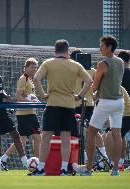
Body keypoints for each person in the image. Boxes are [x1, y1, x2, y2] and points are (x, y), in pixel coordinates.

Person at [31, 39, 92, 176]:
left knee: (46, 137)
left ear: (55, 51)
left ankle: (40, 168)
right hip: (69, 105)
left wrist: (43, 95)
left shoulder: (48, 63)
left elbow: (36, 79)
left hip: (52, 104)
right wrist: (80, 96)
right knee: (66, 139)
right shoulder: (75, 65)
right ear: (67, 51)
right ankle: (64, 169)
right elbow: (89, 81)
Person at [78, 36, 124, 176]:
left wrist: (90, 93)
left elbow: (95, 85)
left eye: (102, 45)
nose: (100, 48)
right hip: (119, 102)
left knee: (91, 132)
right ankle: (115, 169)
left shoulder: (102, 64)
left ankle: (88, 169)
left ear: (109, 47)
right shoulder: (121, 61)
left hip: (106, 102)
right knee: (117, 135)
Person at [0, 58, 41, 170]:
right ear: (26, 67)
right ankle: (3, 159)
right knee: (23, 140)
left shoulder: (30, 80)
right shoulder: (23, 79)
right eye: (32, 67)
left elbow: (29, 95)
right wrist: (31, 101)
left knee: (37, 138)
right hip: (24, 114)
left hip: (31, 113)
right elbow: (18, 97)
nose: (34, 69)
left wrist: (34, 100)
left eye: (35, 67)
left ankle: (37, 163)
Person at [103, 86, 130, 170]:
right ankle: (118, 163)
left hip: (128, 116)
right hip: (119, 116)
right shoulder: (107, 87)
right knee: (114, 136)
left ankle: (115, 163)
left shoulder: (116, 88)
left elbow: (113, 106)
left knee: (112, 135)